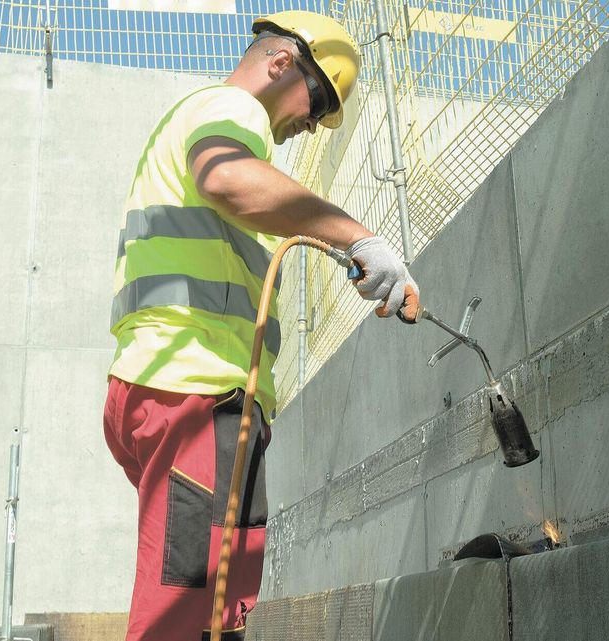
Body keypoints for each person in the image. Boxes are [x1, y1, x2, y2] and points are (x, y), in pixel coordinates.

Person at [102, 10, 420, 641]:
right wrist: (361, 238)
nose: (311, 124)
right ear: (282, 63)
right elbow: (228, 178)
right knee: (187, 610)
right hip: (198, 389)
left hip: (163, 387)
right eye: (318, 101)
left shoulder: (189, 119)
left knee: (215, 608)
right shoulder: (232, 111)